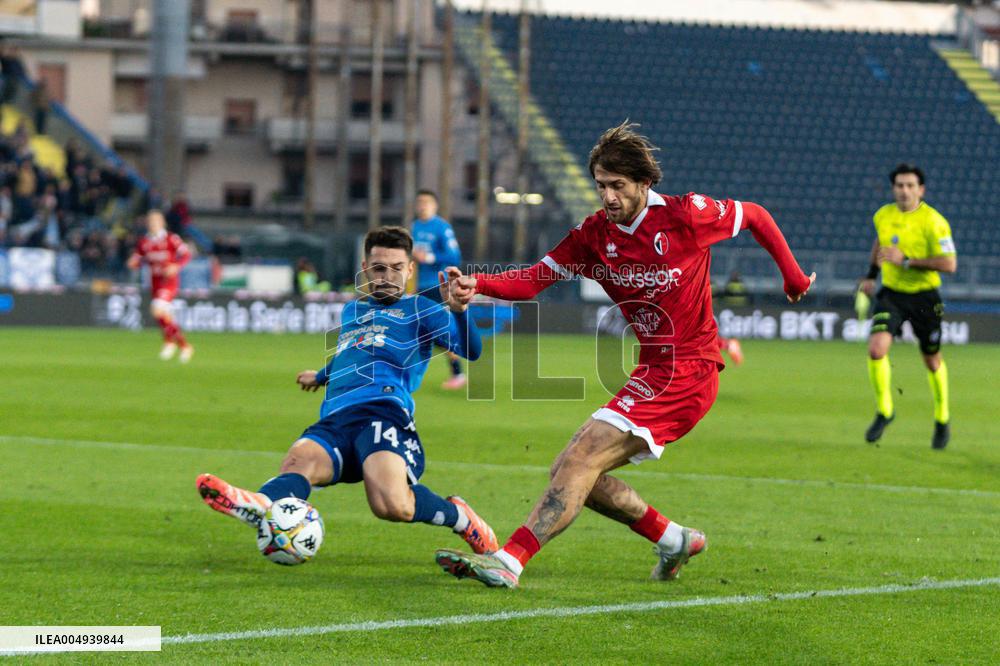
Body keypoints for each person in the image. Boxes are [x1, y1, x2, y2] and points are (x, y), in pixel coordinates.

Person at [435, 122, 814, 588]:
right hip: (653, 370)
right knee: (573, 472)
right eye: (601, 186)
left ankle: (509, 560)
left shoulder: (685, 215)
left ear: (644, 183)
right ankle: (673, 538)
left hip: (691, 369)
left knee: (580, 460)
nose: (608, 197)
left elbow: (755, 214)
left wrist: (793, 277)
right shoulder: (593, 235)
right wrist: (479, 285)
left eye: (618, 186)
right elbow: (533, 279)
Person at [196, 226, 498, 557]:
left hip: (383, 412)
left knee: (391, 506)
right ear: (366, 268)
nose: (388, 276)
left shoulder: (421, 310)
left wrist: (459, 310)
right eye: (380, 268)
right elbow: (351, 354)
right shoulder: (353, 310)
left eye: (397, 268)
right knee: (299, 461)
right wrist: (322, 375)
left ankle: (458, 517)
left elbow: (472, 351)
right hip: (337, 414)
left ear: (410, 269)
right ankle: (260, 504)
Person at [858, 164, 956, 449]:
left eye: (910, 185)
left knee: (932, 359)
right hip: (892, 295)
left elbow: (950, 264)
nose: (904, 190)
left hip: (925, 297)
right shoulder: (883, 215)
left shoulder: (934, 221)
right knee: (876, 349)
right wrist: (871, 275)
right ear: (894, 189)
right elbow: (880, 242)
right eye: (900, 185)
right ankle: (885, 411)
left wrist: (907, 260)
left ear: (920, 190)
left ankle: (942, 417)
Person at [410, 189, 466, 390]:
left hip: (438, 286)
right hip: (421, 285)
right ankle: (456, 372)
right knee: (423, 330)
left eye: (426, 202)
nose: (422, 205)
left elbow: (454, 256)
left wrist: (430, 258)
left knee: (431, 329)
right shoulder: (414, 227)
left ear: (435, 206)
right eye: (419, 202)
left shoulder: (442, 227)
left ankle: (457, 373)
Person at [126, 210, 194, 362]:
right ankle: (170, 342)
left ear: (162, 223)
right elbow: (139, 259)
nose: (152, 224)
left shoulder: (171, 239)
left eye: (155, 221)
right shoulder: (144, 242)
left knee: (157, 311)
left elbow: (186, 254)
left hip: (168, 282)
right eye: (150, 221)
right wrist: (133, 263)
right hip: (155, 282)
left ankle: (184, 346)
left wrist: (176, 266)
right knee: (165, 316)